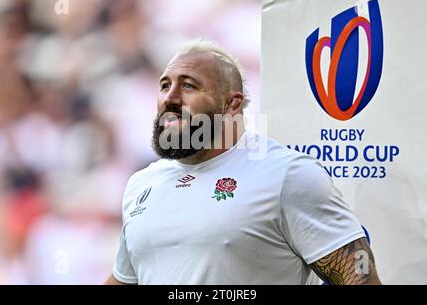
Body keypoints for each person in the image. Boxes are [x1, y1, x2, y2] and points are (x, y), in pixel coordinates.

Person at [105, 38, 382, 285]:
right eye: (165, 85)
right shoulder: (141, 184)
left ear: (232, 104)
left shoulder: (287, 174)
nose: (170, 97)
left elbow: (358, 277)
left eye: (188, 85)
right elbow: (125, 279)